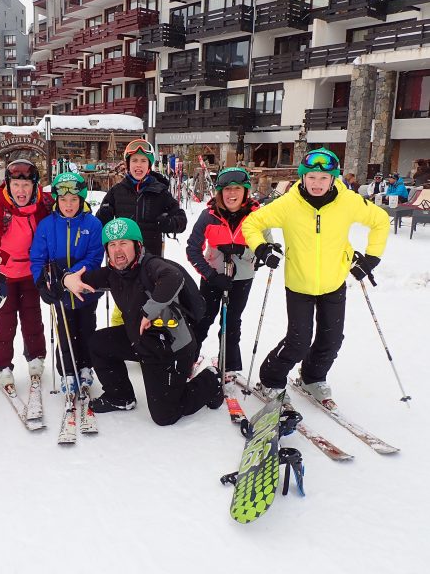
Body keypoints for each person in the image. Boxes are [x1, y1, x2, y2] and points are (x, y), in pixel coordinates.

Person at [242, 147, 390, 406]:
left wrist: (371, 259)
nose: (317, 183)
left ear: (333, 178)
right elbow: (252, 224)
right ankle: (271, 379)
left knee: (331, 340)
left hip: (334, 282)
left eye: (323, 178)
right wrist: (262, 248)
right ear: (303, 177)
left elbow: (380, 220)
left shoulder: (349, 202)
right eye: (311, 176)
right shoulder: (288, 204)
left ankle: (312, 377)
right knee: (298, 342)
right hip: (299, 284)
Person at [63, 218, 225, 426]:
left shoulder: (151, 266)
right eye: (112, 245)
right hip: (139, 340)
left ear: (137, 245)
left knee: (165, 416)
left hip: (169, 349)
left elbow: (172, 276)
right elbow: (81, 279)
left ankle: (211, 382)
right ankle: (121, 396)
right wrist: (67, 279)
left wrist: (150, 311)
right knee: (98, 342)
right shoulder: (114, 273)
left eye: (124, 243)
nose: (117, 250)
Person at [186, 167, 269, 374]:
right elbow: (192, 249)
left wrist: (250, 252)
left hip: (241, 279)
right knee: (202, 320)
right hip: (213, 278)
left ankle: (229, 365)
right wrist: (211, 275)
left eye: (237, 189)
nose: (232, 194)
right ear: (220, 192)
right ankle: (188, 360)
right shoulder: (209, 216)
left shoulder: (257, 217)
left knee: (231, 324)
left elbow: (268, 246)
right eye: (227, 189)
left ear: (245, 191)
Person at [0, 159, 53, 390]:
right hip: (5, 273)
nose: (21, 191)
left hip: (32, 272)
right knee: (5, 322)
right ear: (8, 185)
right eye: (16, 185)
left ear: (34, 186)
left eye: (26, 185)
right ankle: (1, 365)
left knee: (32, 318)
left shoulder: (42, 205)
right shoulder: (0, 208)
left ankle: (36, 358)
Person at [30, 171, 104, 392]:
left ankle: (85, 367)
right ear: (57, 200)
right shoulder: (47, 225)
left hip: (86, 288)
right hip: (60, 294)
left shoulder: (93, 224)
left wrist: (70, 275)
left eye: (73, 200)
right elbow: (37, 258)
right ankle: (67, 371)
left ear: (81, 199)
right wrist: (41, 283)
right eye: (63, 200)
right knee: (65, 332)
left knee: (87, 329)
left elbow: (94, 256)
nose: (68, 205)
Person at [96, 139, 186, 257]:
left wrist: (168, 223)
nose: (139, 165)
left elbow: (181, 220)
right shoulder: (117, 191)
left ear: (149, 165)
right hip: (123, 257)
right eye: (134, 160)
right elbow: (97, 225)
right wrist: (104, 215)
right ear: (128, 164)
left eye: (143, 161)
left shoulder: (160, 192)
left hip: (151, 257)